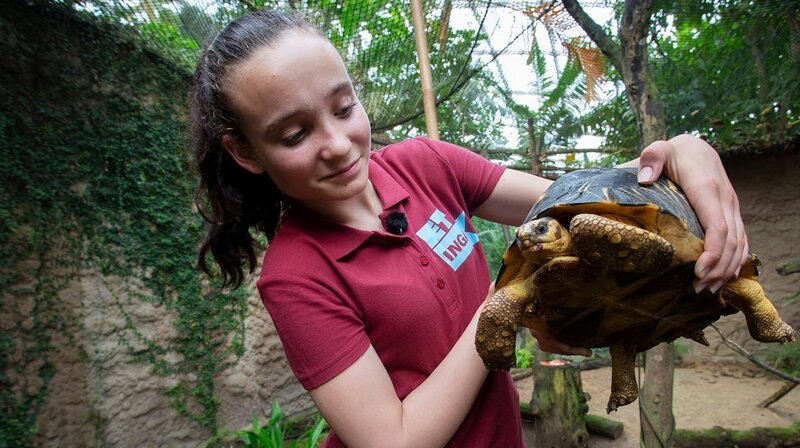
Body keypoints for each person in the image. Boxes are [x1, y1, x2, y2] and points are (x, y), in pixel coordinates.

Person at [189, 9, 748, 448]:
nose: (337, 146)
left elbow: (576, 203)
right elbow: (393, 440)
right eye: (293, 135)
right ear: (246, 151)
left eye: (342, 108)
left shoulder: (425, 164)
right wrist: (510, 302)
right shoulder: (297, 276)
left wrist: (682, 153)